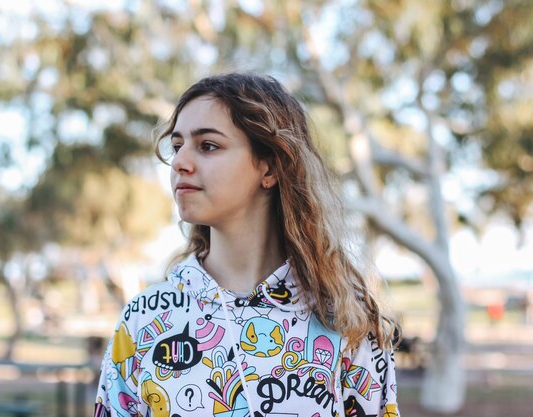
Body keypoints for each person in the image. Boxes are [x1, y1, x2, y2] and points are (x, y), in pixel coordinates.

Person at [94, 73, 400, 417]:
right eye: (177, 145)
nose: (180, 162)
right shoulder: (146, 320)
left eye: (208, 145)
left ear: (269, 167)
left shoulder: (346, 319)